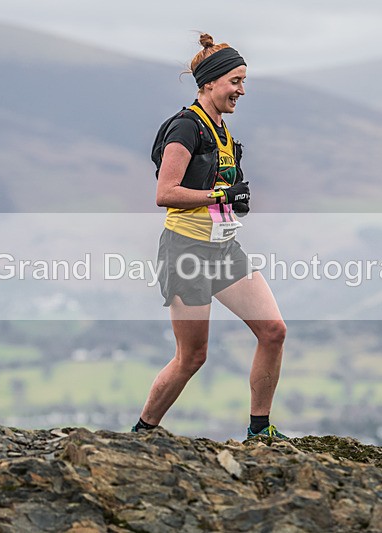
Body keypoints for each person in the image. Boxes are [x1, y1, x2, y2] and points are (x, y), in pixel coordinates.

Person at [131, 33, 288, 440]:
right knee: (192, 356)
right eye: (235, 81)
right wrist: (219, 194)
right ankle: (142, 433)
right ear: (210, 83)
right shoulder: (186, 127)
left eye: (243, 81)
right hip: (185, 252)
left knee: (273, 332)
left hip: (223, 248)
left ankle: (260, 431)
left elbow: (213, 193)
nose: (241, 90)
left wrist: (232, 203)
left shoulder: (222, 132)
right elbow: (165, 193)